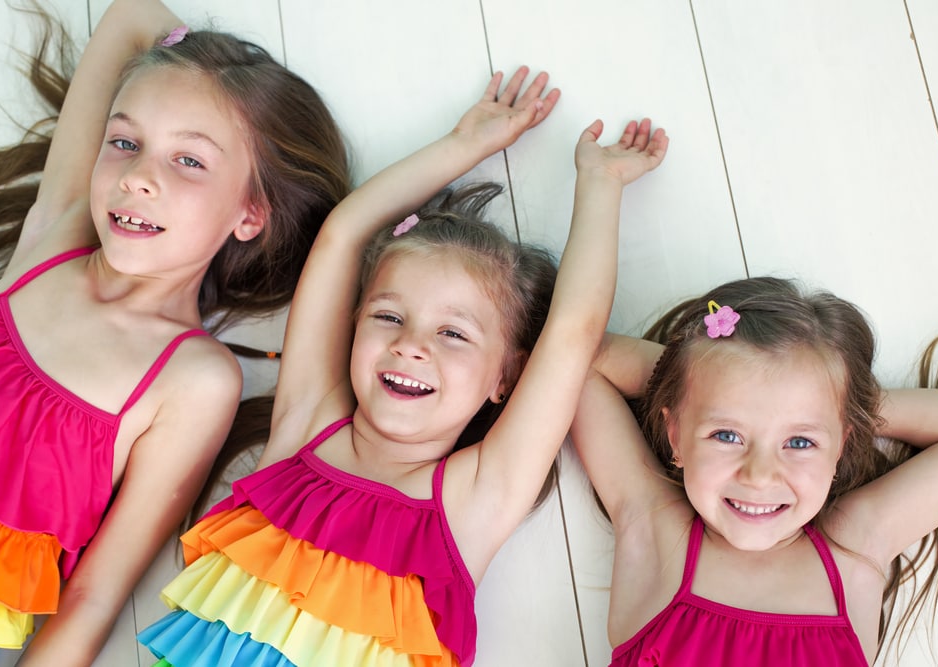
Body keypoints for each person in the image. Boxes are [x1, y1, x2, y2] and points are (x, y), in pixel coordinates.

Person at [137, 67, 670, 666]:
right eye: (389, 317)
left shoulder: (475, 497)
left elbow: (572, 335)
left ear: (505, 379)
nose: (412, 346)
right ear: (355, 325)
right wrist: (463, 145)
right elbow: (342, 235)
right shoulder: (308, 427)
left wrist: (600, 187)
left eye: (453, 334)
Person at [0, 0, 350, 662]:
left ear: (251, 213)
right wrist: (192, 59)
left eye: (190, 161)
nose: (137, 178)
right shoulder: (59, 234)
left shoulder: (193, 378)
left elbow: (95, 593)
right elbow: (129, 14)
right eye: (125, 142)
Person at [570, 276, 938, 666]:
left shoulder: (853, 549)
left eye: (800, 442)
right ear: (676, 436)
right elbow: (578, 360)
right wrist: (696, 379)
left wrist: (842, 400)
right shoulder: (657, 531)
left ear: (841, 446)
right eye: (727, 435)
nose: (759, 475)